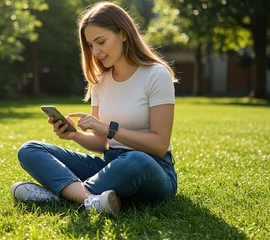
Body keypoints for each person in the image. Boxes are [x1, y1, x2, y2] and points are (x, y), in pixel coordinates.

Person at [10, 1, 178, 215]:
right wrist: (74, 135)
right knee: (30, 149)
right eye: (90, 45)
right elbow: (101, 144)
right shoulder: (100, 81)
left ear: (124, 34)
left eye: (101, 41)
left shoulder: (156, 75)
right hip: (109, 165)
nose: (96, 51)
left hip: (153, 169)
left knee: (136, 160)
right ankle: (91, 199)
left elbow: (159, 145)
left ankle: (59, 196)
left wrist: (108, 129)